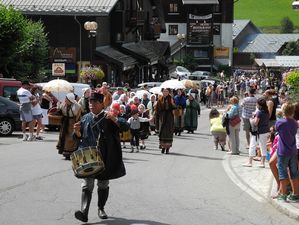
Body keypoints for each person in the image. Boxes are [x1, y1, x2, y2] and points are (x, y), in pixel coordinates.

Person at [73, 92, 126, 222]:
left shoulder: (109, 117)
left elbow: (125, 126)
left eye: (95, 103)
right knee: (87, 184)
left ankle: (101, 208)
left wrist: (114, 119)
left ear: (102, 104)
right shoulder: (85, 118)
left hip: (105, 156)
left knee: (103, 183)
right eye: (90, 103)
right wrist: (77, 132)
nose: (91, 105)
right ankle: (84, 212)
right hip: (88, 157)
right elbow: (78, 138)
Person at [275, 102, 299, 201]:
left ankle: (283, 194)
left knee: (282, 172)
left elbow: (276, 129)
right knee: (294, 172)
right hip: (293, 151)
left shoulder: (280, 122)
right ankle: (295, 194)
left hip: (283, 151)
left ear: (283, 111)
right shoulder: (295, 123)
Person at [243, 97, 270, 167]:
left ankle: (250, 162)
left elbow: (255, 123)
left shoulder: (259, 112)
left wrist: (251, 119)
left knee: (252, 146)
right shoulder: (267, 112)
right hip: (265, 131)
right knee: (263, 146)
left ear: (259, 105)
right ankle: (262, 163)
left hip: (258, 132)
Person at [56, 93, 82, 159]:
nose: (65, 99)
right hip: (65, 123)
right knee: (64, 136)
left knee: (71, 137)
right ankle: (66, 153)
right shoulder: (63, 104)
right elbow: (60, 112)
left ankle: (72, 152)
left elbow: (78, 115)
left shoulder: (76, 106)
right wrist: (58, 106)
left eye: (66, 98)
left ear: (69, 99)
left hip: (72, 123)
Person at [155, 88, 176, 154]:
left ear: (168, 92)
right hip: (162, 117)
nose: (165, 92)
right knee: (162, 131)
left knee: (169, 132)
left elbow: (175, 107)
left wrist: (172, 103)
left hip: (169, 117)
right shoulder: (160, 99)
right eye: (164, 91)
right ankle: (163, 147)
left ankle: (167, 148)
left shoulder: (171, 98)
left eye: (167, 91)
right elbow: (157, 109)